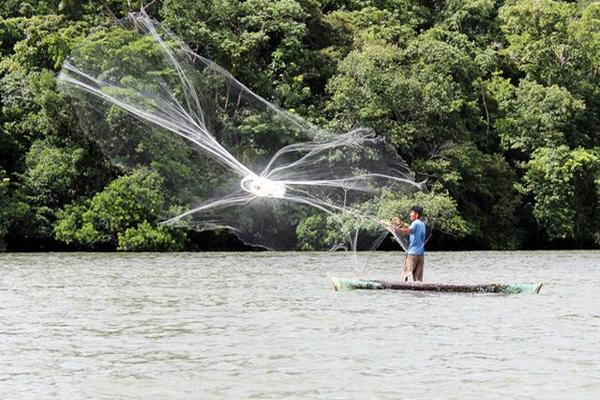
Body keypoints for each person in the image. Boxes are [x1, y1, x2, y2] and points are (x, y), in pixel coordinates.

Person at [390, 205, 426, 281]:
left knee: (405, 274)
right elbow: (412, 230)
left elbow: (407, 231)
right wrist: (402, 225)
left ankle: (403, 290)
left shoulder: (415, 223)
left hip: (412, 254)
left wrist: (396, 229)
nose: (410, 214)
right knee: (418, 280)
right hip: (421, 255)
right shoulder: (422, 224)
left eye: (411, 212)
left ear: (416, 215)